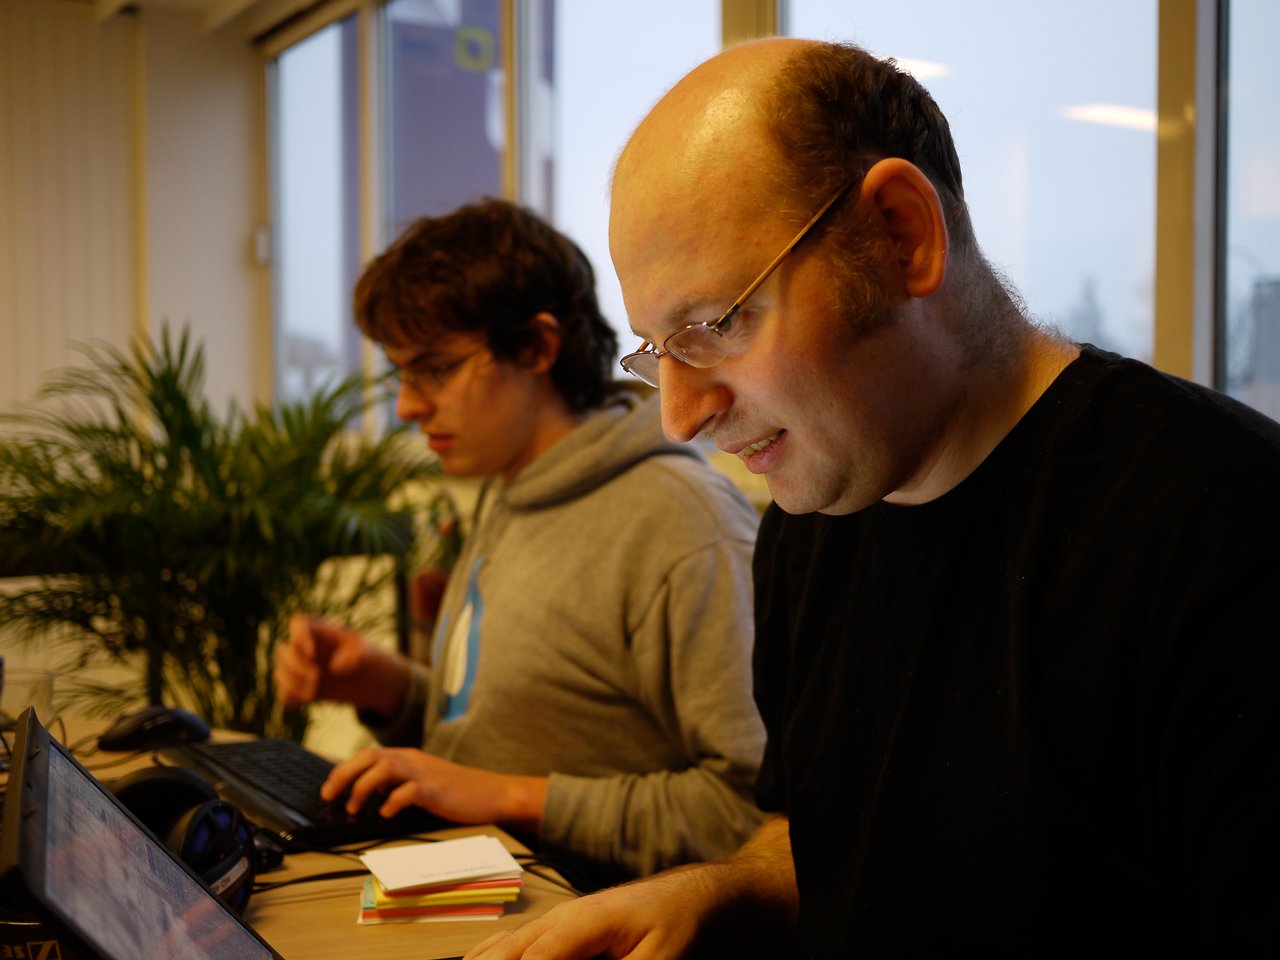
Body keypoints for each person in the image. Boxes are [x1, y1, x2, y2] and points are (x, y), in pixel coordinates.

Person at [464, 37, 1280, 959]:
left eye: (714, 326)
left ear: (902, 235)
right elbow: (827, 841)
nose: (679, 419)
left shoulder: (1229, 541)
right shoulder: (810, 530)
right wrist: (721, 890)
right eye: (660, 351)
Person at [272, 198, 766, 885]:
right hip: (483, 899)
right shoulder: (516, 489)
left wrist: (511, 800)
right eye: (402, 375)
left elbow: (753, 818)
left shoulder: (681, 524)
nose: (409, 406)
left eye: (434, 369)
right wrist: (386, 688)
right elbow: (507, 742)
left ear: (536, 347)